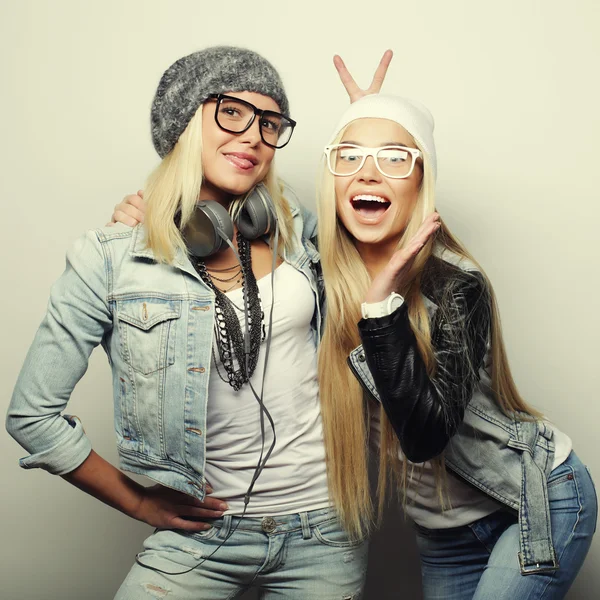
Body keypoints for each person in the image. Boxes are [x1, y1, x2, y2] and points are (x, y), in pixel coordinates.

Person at [6, 46, 385, 600]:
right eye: (232, 112)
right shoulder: (112, 258)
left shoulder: (295, 227)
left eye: (270, 123)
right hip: (202, 537)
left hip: (325, 530)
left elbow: (393, 227)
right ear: (185, 123)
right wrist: (137, 501)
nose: (254, 135)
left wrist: (369, 135)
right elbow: (31, 414)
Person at [315, 93, 598, 599]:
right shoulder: (320, 279)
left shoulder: (457, 286)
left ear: (422, 181)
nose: (368, 173)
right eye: (350, 156)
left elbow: (425, 437)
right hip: (442, 533)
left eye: (395, 159)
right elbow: (264, 217)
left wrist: (381, 311)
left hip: (536, 498)